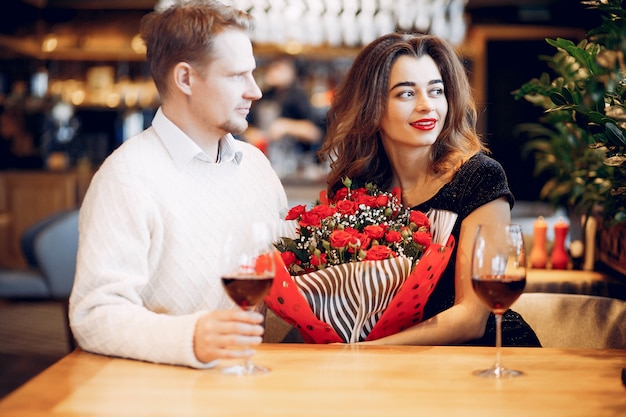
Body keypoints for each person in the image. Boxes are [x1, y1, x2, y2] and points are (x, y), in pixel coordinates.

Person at [69, 0, 295, 368]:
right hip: (161, 392)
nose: (255, 90)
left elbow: (285, 274)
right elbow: (93, 315)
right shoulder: (125, 176)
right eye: (238, 75)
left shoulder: (256, 165)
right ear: (186, 78)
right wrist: (190, 338)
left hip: (254, 383)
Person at [317, 32, 540, 347]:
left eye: (436, 91)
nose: (426, 106)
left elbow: (472, 319)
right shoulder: (355, 188)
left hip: (483, 356)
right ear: (372, 106)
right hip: (396, 365)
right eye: (406, 94)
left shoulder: (478, 178)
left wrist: (362, 353)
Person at [243, 55, 323, 178]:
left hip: (292, 164)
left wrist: (286, 126)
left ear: (291, 72)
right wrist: (252, 133)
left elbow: (314, 133)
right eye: (272, 67)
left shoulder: (298, 97)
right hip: (264, 161)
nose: (273, 72)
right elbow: (247, 125)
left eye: (279, 68)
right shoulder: (264, 95)